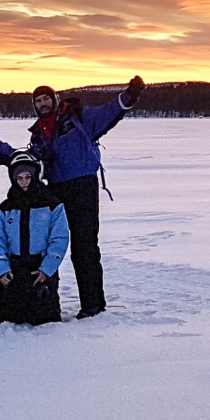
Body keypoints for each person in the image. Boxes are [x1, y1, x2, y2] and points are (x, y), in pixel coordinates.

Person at [27, 75, 144, 318]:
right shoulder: (37, 133)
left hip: (82, 187)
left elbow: (110, 112)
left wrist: (129, 95)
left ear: (55, 99)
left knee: (85, 248)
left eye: (46, 98)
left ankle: (92, 305)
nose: (43, 103)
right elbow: (31, 163)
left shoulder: (78, 116)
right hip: (55, 190)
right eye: (38, 101)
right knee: (50, 247)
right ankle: (46, 304)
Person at [0, 152, 70, 325]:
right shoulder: (4, 210)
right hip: (14, 268)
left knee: (45, 319)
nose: (24, 182)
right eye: (19, 178)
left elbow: (59, 239)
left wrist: (47, 269)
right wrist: (1, 270)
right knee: (8, 318)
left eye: (28, 177)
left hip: (40, 269)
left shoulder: (53, 206)